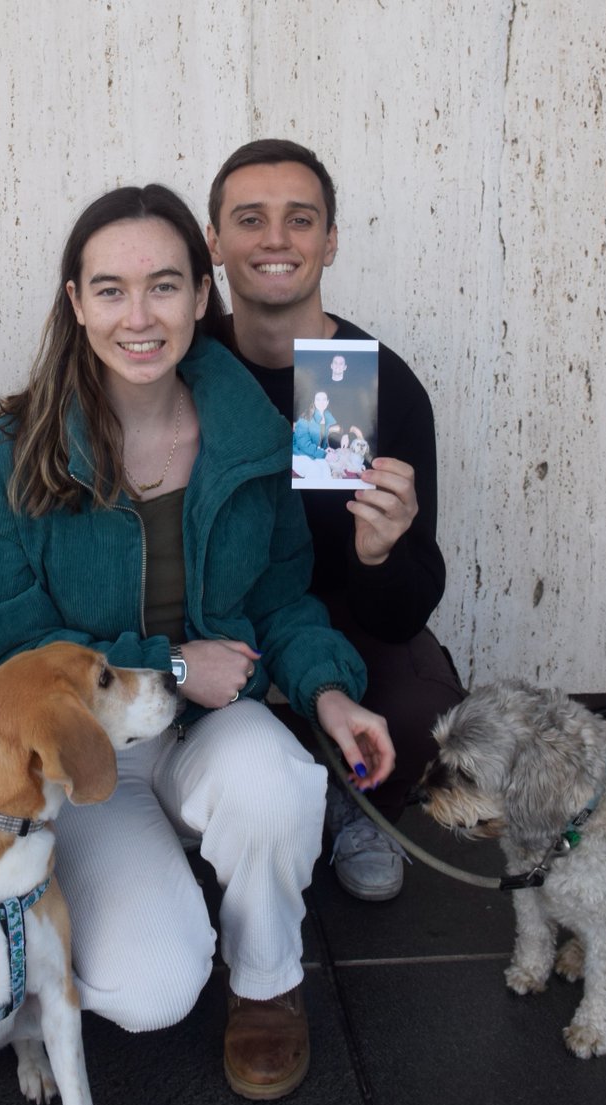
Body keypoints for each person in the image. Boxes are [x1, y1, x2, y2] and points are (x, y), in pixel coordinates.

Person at [0, 184, 395, 1102]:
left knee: (272, 780)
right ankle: (146, 898)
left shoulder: (254, 440)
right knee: (152, 992)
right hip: (86, 759)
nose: (138, 316)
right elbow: (0, 646)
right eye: (110, 290)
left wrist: (330, 693)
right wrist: (168, 664)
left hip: (213, 732)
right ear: (75, 302)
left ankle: (268, 982)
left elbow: (284, 602)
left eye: (164, 287)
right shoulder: (10, 456)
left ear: (200, 297)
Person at [207, 139, 466, 902]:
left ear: (330, 240)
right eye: (250, 219)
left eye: (300, 219)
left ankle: (357, 805)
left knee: (430, 717)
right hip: (214, 618)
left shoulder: (378, 383)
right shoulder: (183, 365)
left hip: (344, 620)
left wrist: (382, 553)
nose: (276, 240)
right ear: (215, 242)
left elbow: (406, 609)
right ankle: (246, 806)